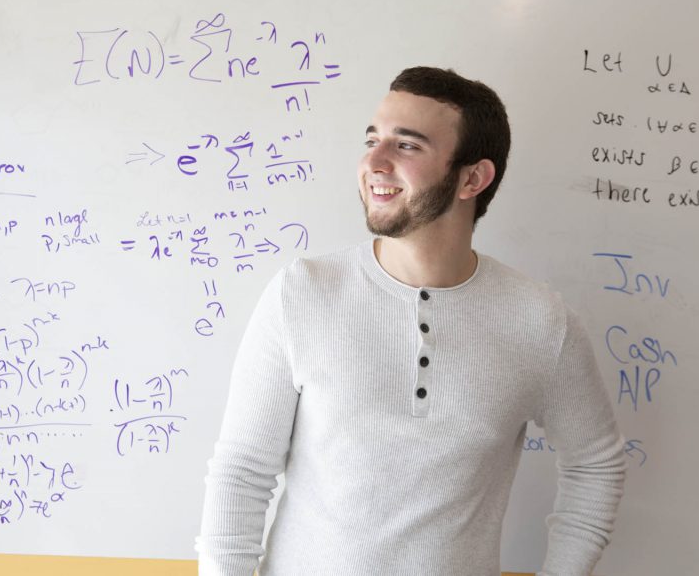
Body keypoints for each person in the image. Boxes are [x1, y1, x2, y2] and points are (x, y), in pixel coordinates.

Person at [196, 67, 626, 575]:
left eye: (407, 146)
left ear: (472, 178)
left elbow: (597, 463)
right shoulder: (304, 293)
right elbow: (243, 471)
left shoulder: (539, 321)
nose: (373, 162)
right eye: (373, 140)